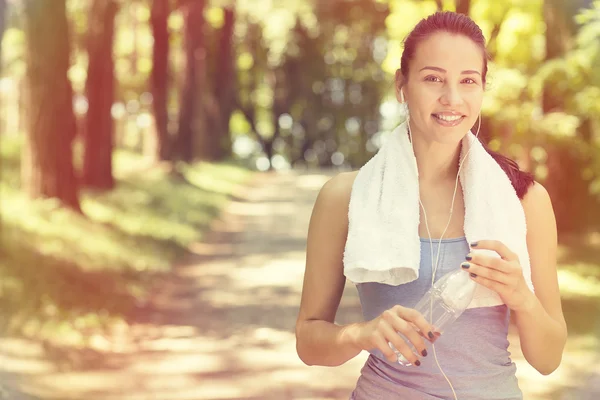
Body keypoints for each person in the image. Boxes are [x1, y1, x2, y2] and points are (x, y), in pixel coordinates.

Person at [295, 11, 567, 400]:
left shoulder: (524, 201)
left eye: (468, 81)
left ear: (482, 90)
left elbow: (549, 358)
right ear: (402, 86)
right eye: (433, 78)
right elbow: (308, 340)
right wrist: (362, 333)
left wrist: (520, 295)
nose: (451, 98)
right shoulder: (345, 198)